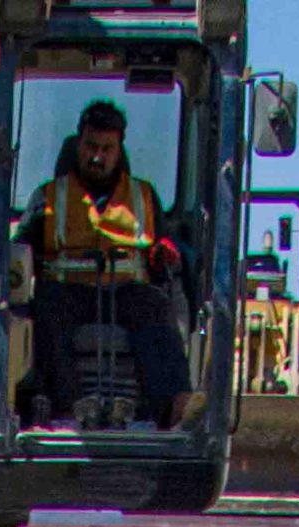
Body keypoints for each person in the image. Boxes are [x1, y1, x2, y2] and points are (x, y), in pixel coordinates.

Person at [18, 100, 196, 427]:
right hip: (68, 293)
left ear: (119, 150)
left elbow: (164, 242)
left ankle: (173, 406)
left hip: (126, 292)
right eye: (90, 146)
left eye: (106, 148)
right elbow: (19, 248)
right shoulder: (48, 196)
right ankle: (69, 406)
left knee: (156, 308)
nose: (97, 156)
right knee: (45, 309)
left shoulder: (143, 196)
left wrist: (165, 251)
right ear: (78, 144)